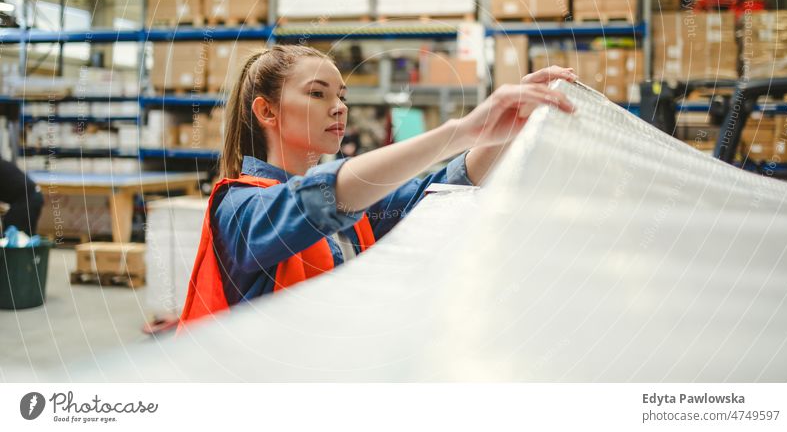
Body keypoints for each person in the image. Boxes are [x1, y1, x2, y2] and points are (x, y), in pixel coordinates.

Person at [180, 45, 576, 326]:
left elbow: (439, 188)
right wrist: (462, 130)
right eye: (317, 93)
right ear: (266, 110)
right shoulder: (238, 208)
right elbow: (318, 200)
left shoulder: (359, 207)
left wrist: (503, 130)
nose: (338, 106)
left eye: (341, 95)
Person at [0, 158, 44, 237]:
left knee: (12, 235)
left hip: (28, 200)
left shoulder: (2, 166)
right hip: (32, 197)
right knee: (23, 236)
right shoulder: (3, 164)